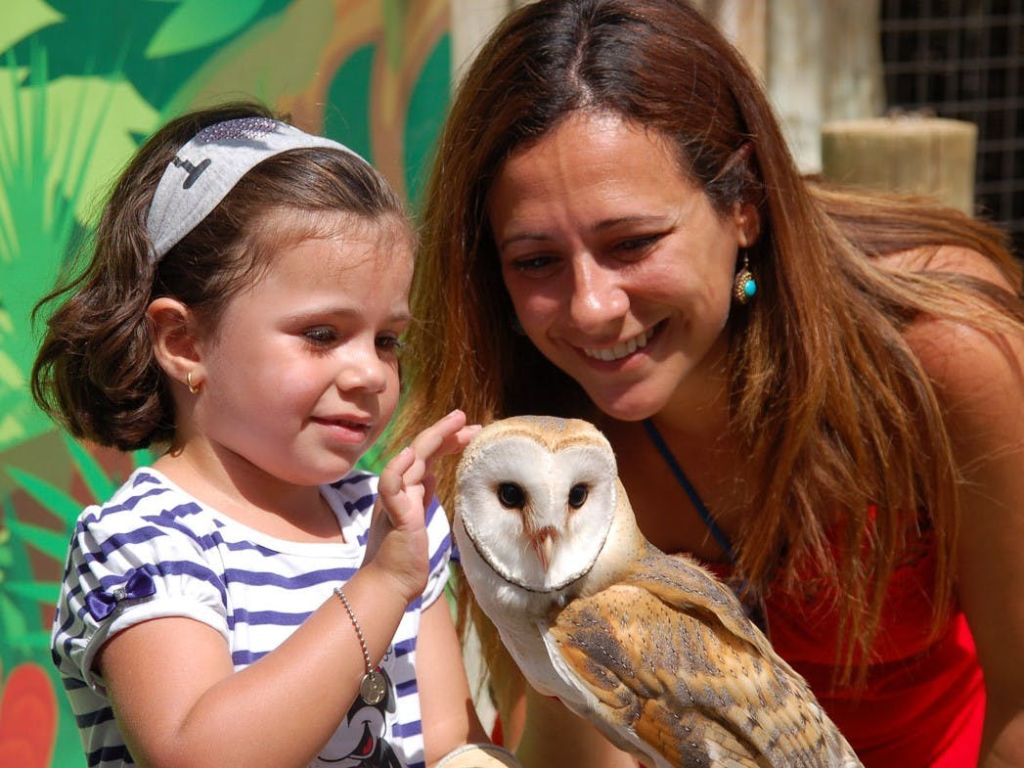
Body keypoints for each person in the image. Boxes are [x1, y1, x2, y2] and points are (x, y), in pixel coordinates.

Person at [394, 1, 1024, 766]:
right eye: (535, 261)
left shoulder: (938, 352)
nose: (592, 307)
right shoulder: (516, 433)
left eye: (631, 242)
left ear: (744, 202)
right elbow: (579, 746)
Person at [33, 102, 520, 768]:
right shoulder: (147, 540)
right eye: (322, 335)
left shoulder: (391, 523)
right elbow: (199, 755)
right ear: (185, 343)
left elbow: (446, 745)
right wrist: (379, 585)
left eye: (387, 340)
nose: (370, 373)